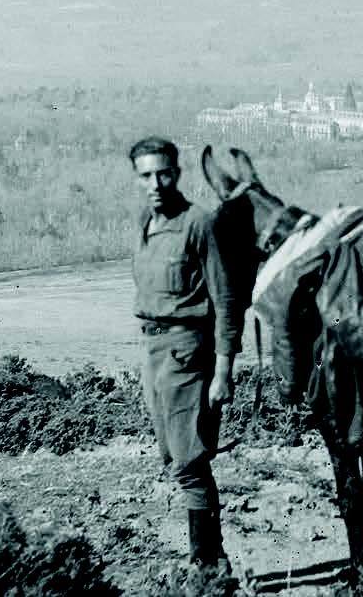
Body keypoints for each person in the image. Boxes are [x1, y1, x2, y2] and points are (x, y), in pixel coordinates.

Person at [129, 136, 243, 568]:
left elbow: (227, 300)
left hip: (188, 352)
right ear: (137, 179)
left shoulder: (199, 223)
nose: (155, 183)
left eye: (163, 173)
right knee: (173, 455)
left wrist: (223, 371)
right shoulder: (144, 221)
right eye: (146, 175)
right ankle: (214, 562)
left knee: (190, 461)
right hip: (153, 350)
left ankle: (208, 570)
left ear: (177, 173)